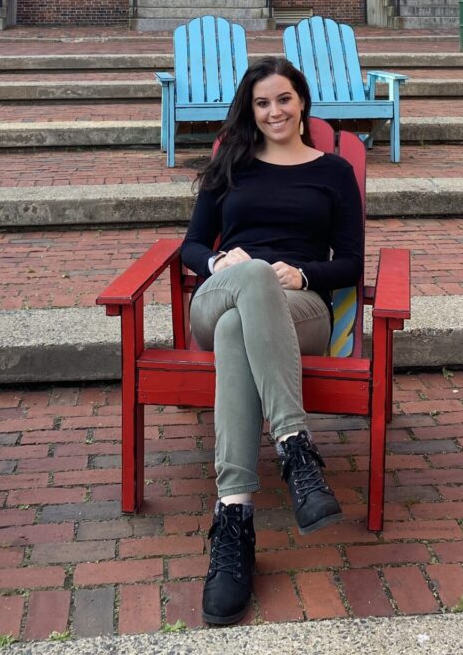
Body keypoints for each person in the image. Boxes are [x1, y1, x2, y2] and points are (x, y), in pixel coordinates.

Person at [181, 57, 364, 626]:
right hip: (219, 296)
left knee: (246, 318)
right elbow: (189, 246)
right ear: (250, 110)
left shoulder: (334, 172)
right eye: (262, 103)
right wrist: (220, 260)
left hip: (299, 311)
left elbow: (353, 263)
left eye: (283, 99)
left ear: (302, 101)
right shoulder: (231, 165)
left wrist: (305, 275)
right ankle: (294, 448)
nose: (274, 111)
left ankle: (233, 520)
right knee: (250, 278)